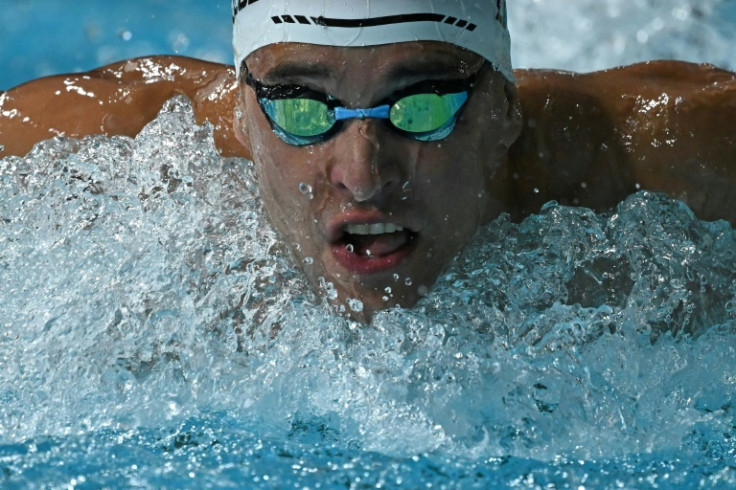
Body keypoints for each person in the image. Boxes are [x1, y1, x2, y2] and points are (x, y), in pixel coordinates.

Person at [1, 0, 735, 318]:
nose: (362, 173)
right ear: (239, 114)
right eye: (301, 110)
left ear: (504, 112)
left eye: (420, 106)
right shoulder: (112, 148)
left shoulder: (661, 153)